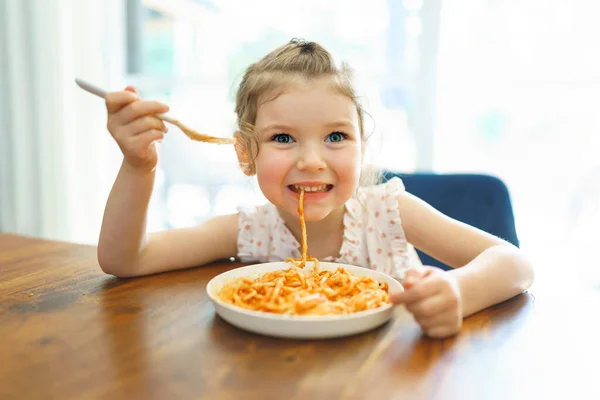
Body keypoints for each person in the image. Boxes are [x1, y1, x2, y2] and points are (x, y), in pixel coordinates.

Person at [97, 39, 534, 338]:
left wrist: (458, 292)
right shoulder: (251, 229)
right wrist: (139, 166)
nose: (311, 160)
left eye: (336, 137)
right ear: (245, 153)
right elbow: (126, 259)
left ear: (363, 148)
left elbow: (515, 265)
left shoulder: (389, 210)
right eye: (283, 138)